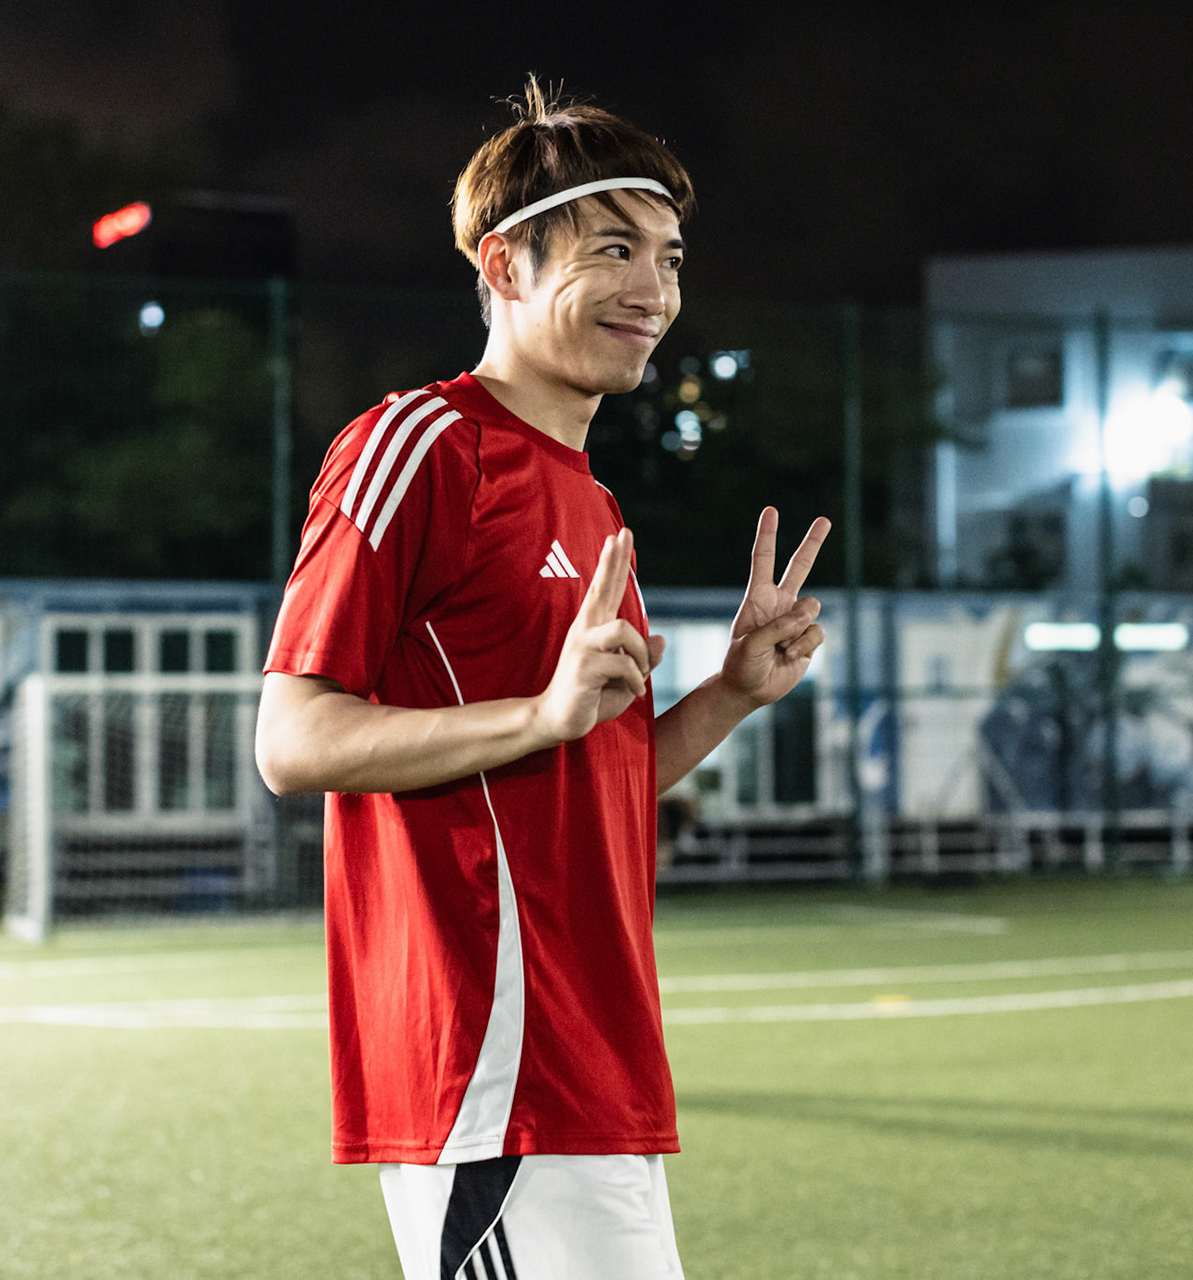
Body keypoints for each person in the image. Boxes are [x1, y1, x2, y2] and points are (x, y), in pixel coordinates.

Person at [255, 80, 828, 1280]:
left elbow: (594, 769)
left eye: (669, 257)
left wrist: (726, 694)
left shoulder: (595, 503)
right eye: (613, 248)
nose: (655, 290)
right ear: (505, 265)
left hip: (595, 1050)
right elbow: (293, 738)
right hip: (492, 1058)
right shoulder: (417, 446)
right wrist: (540, 710)